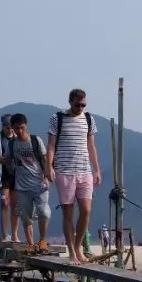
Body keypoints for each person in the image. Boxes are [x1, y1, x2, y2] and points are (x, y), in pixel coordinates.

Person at [46, 88, 102, 264]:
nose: (80, 107)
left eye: (83, 104)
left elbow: (91, 146)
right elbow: (51, 146)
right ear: (70, 101)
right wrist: (49, 166)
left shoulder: (88, 119)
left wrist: (97, 169)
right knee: (68, 213)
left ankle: (78, 247)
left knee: (86, 211)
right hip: (65, 171)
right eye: (78, 104)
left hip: (84, 170)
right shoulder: (57, 118)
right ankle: (71, 251)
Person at [6, 113, 51, 251]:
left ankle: (42, 240)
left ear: (26, 126)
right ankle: (31, 244)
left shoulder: (35, 140)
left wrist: (46, 176)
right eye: (16, 128)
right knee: (26, 217)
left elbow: (44, 159)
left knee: (43, 212)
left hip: (39, 184)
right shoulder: (12, 143)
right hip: (22, 186)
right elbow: (6, 160)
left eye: (22, 127)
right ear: (12, 128)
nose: (19, 131)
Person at [0, 115, 18, 242]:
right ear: (3, 126)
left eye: (11, 127)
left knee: (15, 205)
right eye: (7, 127)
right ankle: (5, 234)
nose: (9, 130)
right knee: (4, 203)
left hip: (16, 175)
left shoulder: (18, 139)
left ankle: (15, 234)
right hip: (3, 175)